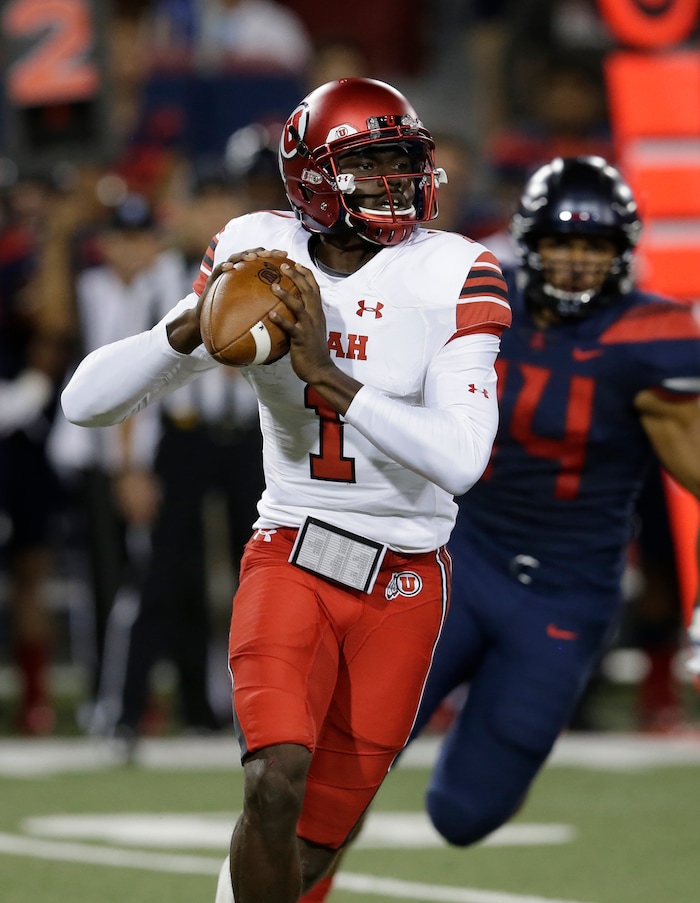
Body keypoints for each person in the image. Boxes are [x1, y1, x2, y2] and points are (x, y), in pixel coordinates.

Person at [60, 77, 511, 902]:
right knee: (272, 779)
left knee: (311, 848)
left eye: (401, 161)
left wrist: (328, 376)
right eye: (368, 164)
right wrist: (185, 329)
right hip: (293, 549)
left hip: (406, 577)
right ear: (312, 176)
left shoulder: (456, 269)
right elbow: (84, 404)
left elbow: (462, 458)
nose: (394, 181)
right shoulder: (259, 252)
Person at [300, 154, 700, 901]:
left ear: (622, 252)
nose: (577, 260)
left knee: (463, 814)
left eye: (595, 245)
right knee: (344, 769)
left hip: (565, 593)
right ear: (528, 243)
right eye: (560, 242)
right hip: (458, 560)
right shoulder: (472, 290)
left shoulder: (652, 336)